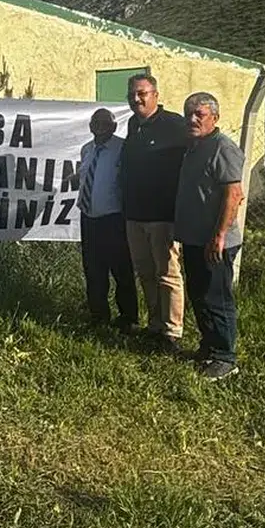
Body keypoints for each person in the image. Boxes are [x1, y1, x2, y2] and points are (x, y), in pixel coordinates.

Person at [173, 92, 246, 381]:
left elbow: (233, 193)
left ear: (214, 118)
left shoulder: (222, 148)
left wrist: (218, 235)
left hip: (215, 241)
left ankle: (225, 357)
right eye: (188, 113)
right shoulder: (194, 147)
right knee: (199, 295)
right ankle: (209, 347)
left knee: (217, 298)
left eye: (199, 114)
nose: (192, 119)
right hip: (194, 237)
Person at [121, 73, 189, 351]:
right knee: (145, 273)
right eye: (132, 95)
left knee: (168, 274)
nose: (136, 99)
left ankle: (172, 332)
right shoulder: (132, 125)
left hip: (162, 217)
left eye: (142, 94)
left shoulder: (174, 125)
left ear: (155, 96)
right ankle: (155, 324)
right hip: (135, 215)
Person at [77, 107, 139, 334]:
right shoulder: (86, 150)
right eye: (96, 123)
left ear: (114, 126)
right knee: (93, 269)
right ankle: (98, 315)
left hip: (114, 219)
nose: (100, 128)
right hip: (89, 218)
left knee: (121, 270)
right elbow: (85, 176)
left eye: (106, 124)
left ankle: (128, 317)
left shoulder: (123, 149)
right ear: (90, 126)